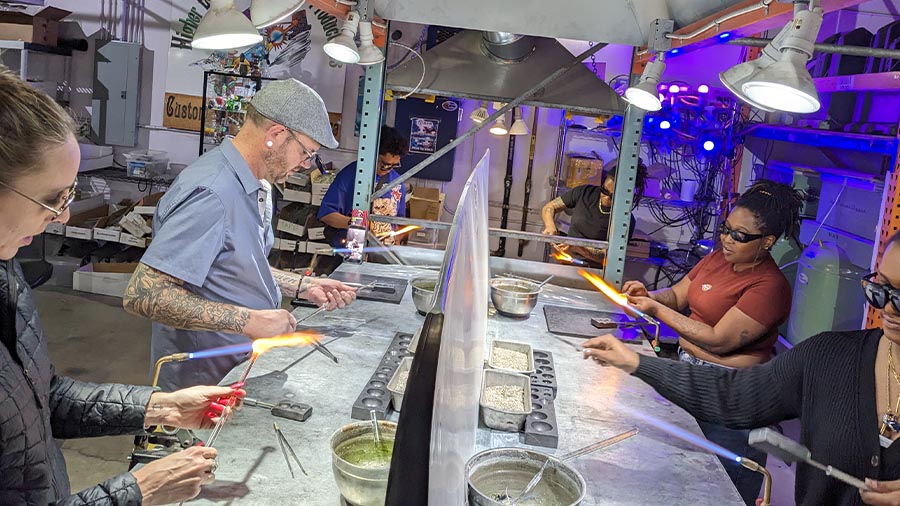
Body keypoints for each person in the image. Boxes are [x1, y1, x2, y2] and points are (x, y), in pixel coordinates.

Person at [0, 65, 243, 505]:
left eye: (70, 195)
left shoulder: (6, 270)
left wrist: (162, 406)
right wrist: (138, 492)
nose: (64, 216)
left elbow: (40, 401)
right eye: (52, 198)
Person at [581, 231, 900, 506]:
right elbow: (733, 395)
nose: (887, 306)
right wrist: (636, 362)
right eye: (881, 288)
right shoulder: (829, 357)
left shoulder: (769, 285)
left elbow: (720, 339)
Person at [124, 79, 357, 391]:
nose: (305, 165)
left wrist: (303, 285)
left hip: (237, 368)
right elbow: (144, 294)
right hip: (201, 383)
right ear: (276, 134)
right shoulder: (213, 193)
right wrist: (251, 321)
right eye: (306, 153)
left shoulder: (257, 185)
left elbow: (235, 266)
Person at [618, 179, 803, 504]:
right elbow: (677, 295)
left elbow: (719, 341)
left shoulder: (770, 286)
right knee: (680, 477)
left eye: (740, 236)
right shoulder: (718, 259)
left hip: (732, 396)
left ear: (768, 242)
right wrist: (650, 295)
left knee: (721, 488)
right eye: (726, 229)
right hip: (692, 375)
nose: (727, 239)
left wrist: (656, 309)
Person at [541, 159, 646, 267]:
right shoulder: (585, 193)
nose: (606, 198)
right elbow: (550, 207)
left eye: (613, 197)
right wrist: (550, 226)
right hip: (566, 262)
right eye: (604, 191)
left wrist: (577, 246)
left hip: (593, 271)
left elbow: (609, 258)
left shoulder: (625, 220)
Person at [318, 125, 408, 248]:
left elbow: (399, 223)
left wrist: (396, 239)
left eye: (394, 165)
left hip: (381, 251)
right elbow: (326, 214)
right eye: (385, 165)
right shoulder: (350, 175)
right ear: (373, 155)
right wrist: (359, 223)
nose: (388, 170)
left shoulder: (397, 183)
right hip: (351, 248)